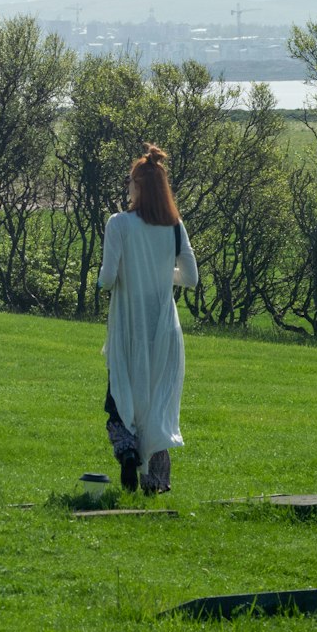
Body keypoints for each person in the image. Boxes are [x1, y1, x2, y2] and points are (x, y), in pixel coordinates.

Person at [98, 144, 197, 493]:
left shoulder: (119, 224)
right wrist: (158, 272)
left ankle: (127, 451)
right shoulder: (174, 227)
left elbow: (106, 279)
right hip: (164, 329)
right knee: (157, 404)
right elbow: (190, 278)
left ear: (138, 186)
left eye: (130, 182)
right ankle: (155, 482)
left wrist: (134, 272)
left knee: (120, 396)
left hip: (129, 327)